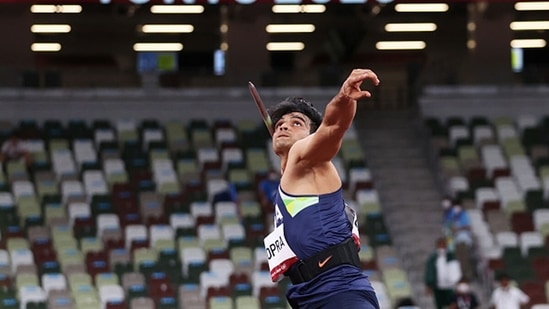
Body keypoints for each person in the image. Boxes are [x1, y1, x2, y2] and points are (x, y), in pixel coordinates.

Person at [263, 69, 380, 308]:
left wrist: (344, 98)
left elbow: (333, 127)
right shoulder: (291, 182)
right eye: (280, 124)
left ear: (311, 136)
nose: (284, 127)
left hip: (338, 290)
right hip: (307, 295)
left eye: (297, 123)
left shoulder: (307, 159)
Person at [424, 237, 462, 309]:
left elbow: (456, 270)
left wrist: (458, 284)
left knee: (452, 304)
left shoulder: (451, 256)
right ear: (437, 246)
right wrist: (429, 285)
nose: (442, 247)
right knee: (439, 305)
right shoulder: (433, 258)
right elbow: (429, 271)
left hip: (450, 286)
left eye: (443, 245)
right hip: (438, 286)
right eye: (440, 245)